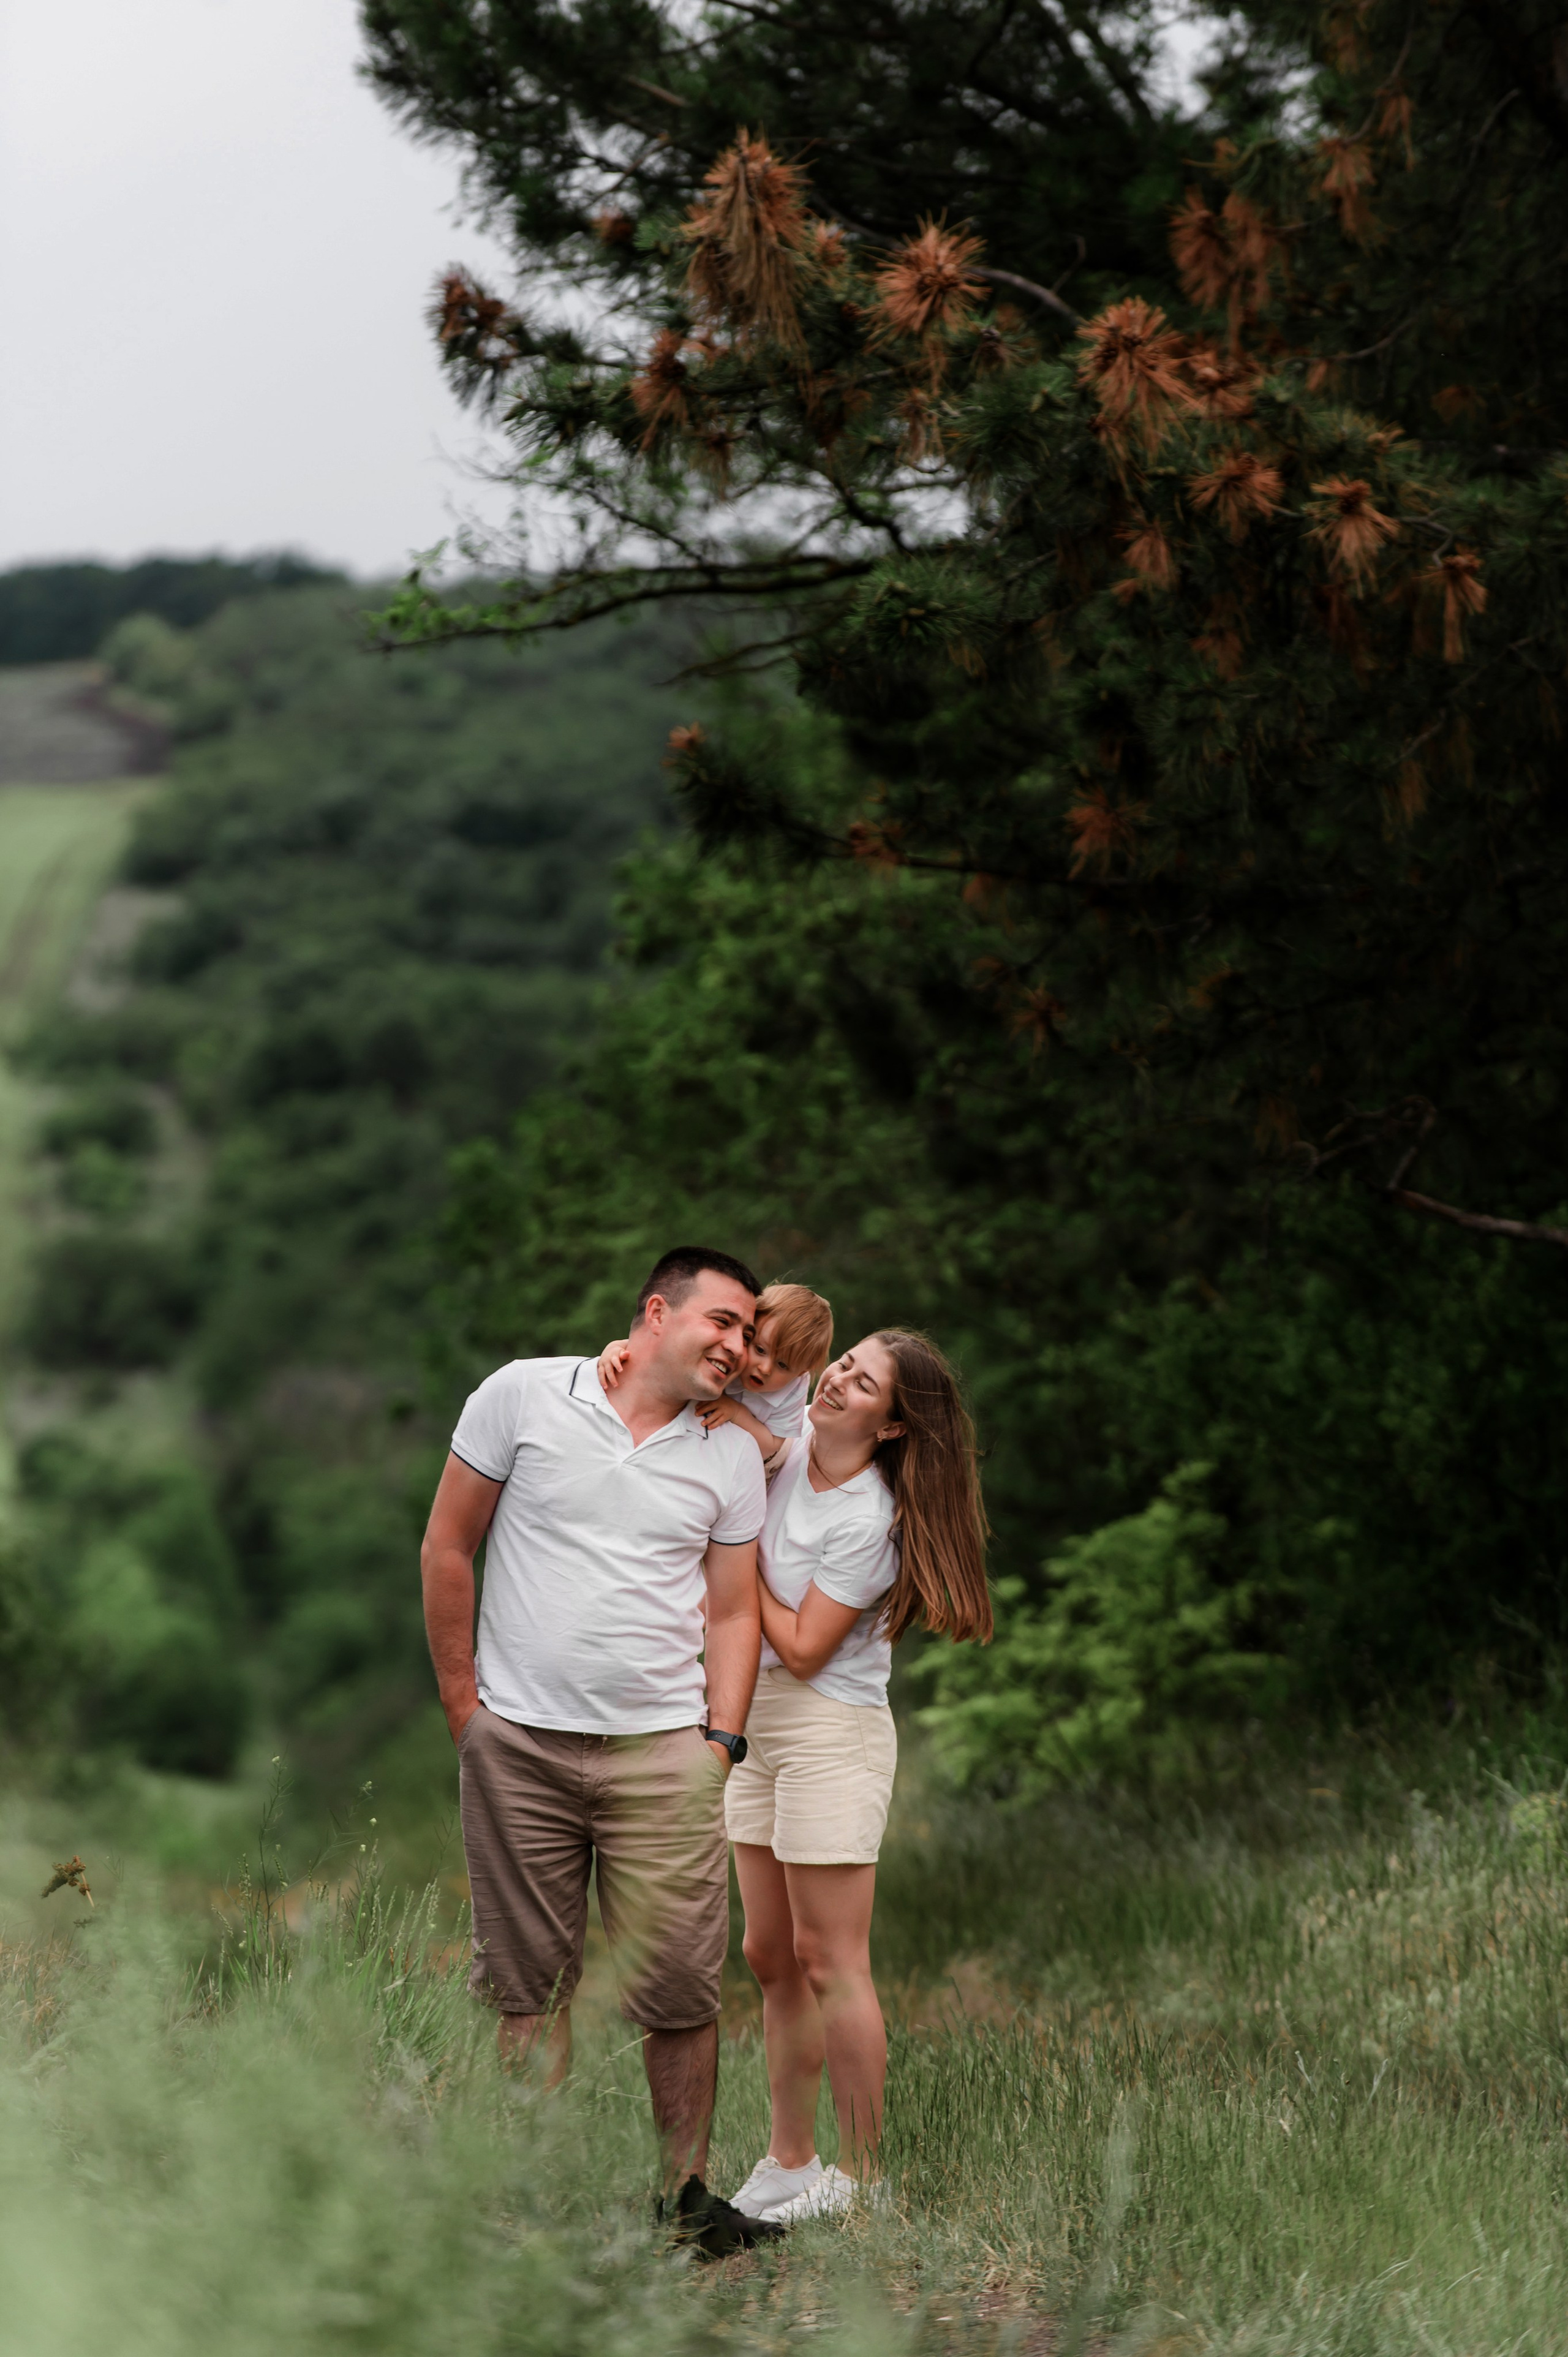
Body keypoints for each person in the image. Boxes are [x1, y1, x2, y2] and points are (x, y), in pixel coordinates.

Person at [419, 1245, 786, 2260]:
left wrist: (719, 1741)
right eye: (723, 1321)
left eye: (750, 1334)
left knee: (679, 1986)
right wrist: (466, 1707)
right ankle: (535, 2200)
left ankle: (685, 2199)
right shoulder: (523, 1395)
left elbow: (732, 1607)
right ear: (656, 1311)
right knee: (528, 1986)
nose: (739, 1344)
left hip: (664, 1756)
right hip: (519, 1748)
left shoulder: (728, 1454)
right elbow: (450, 1543)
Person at [722, 1329, 992, 2225]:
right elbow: (709, 1401)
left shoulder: (869, 1521)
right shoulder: (789, 1442)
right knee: (769, 1954)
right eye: (846, 1363)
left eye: (862, 1381)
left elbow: (802, 1649)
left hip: (829, 1730)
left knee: (830, 1959)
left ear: (890, 1425)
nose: (837, 1377)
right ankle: (789, 2161)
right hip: (752, 1722)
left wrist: (733, 1568)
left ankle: (864, 2181)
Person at [600, 1281, 834, 1466]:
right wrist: (618, 1348)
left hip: (760, 1466)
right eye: (759, 1349)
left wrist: (736, 1413)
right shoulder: (728, 1350)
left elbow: (771, 1447)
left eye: (783, 1366)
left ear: (800, 1372)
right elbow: (663, 1352)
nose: (765, 1368)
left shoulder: (793, 1389)